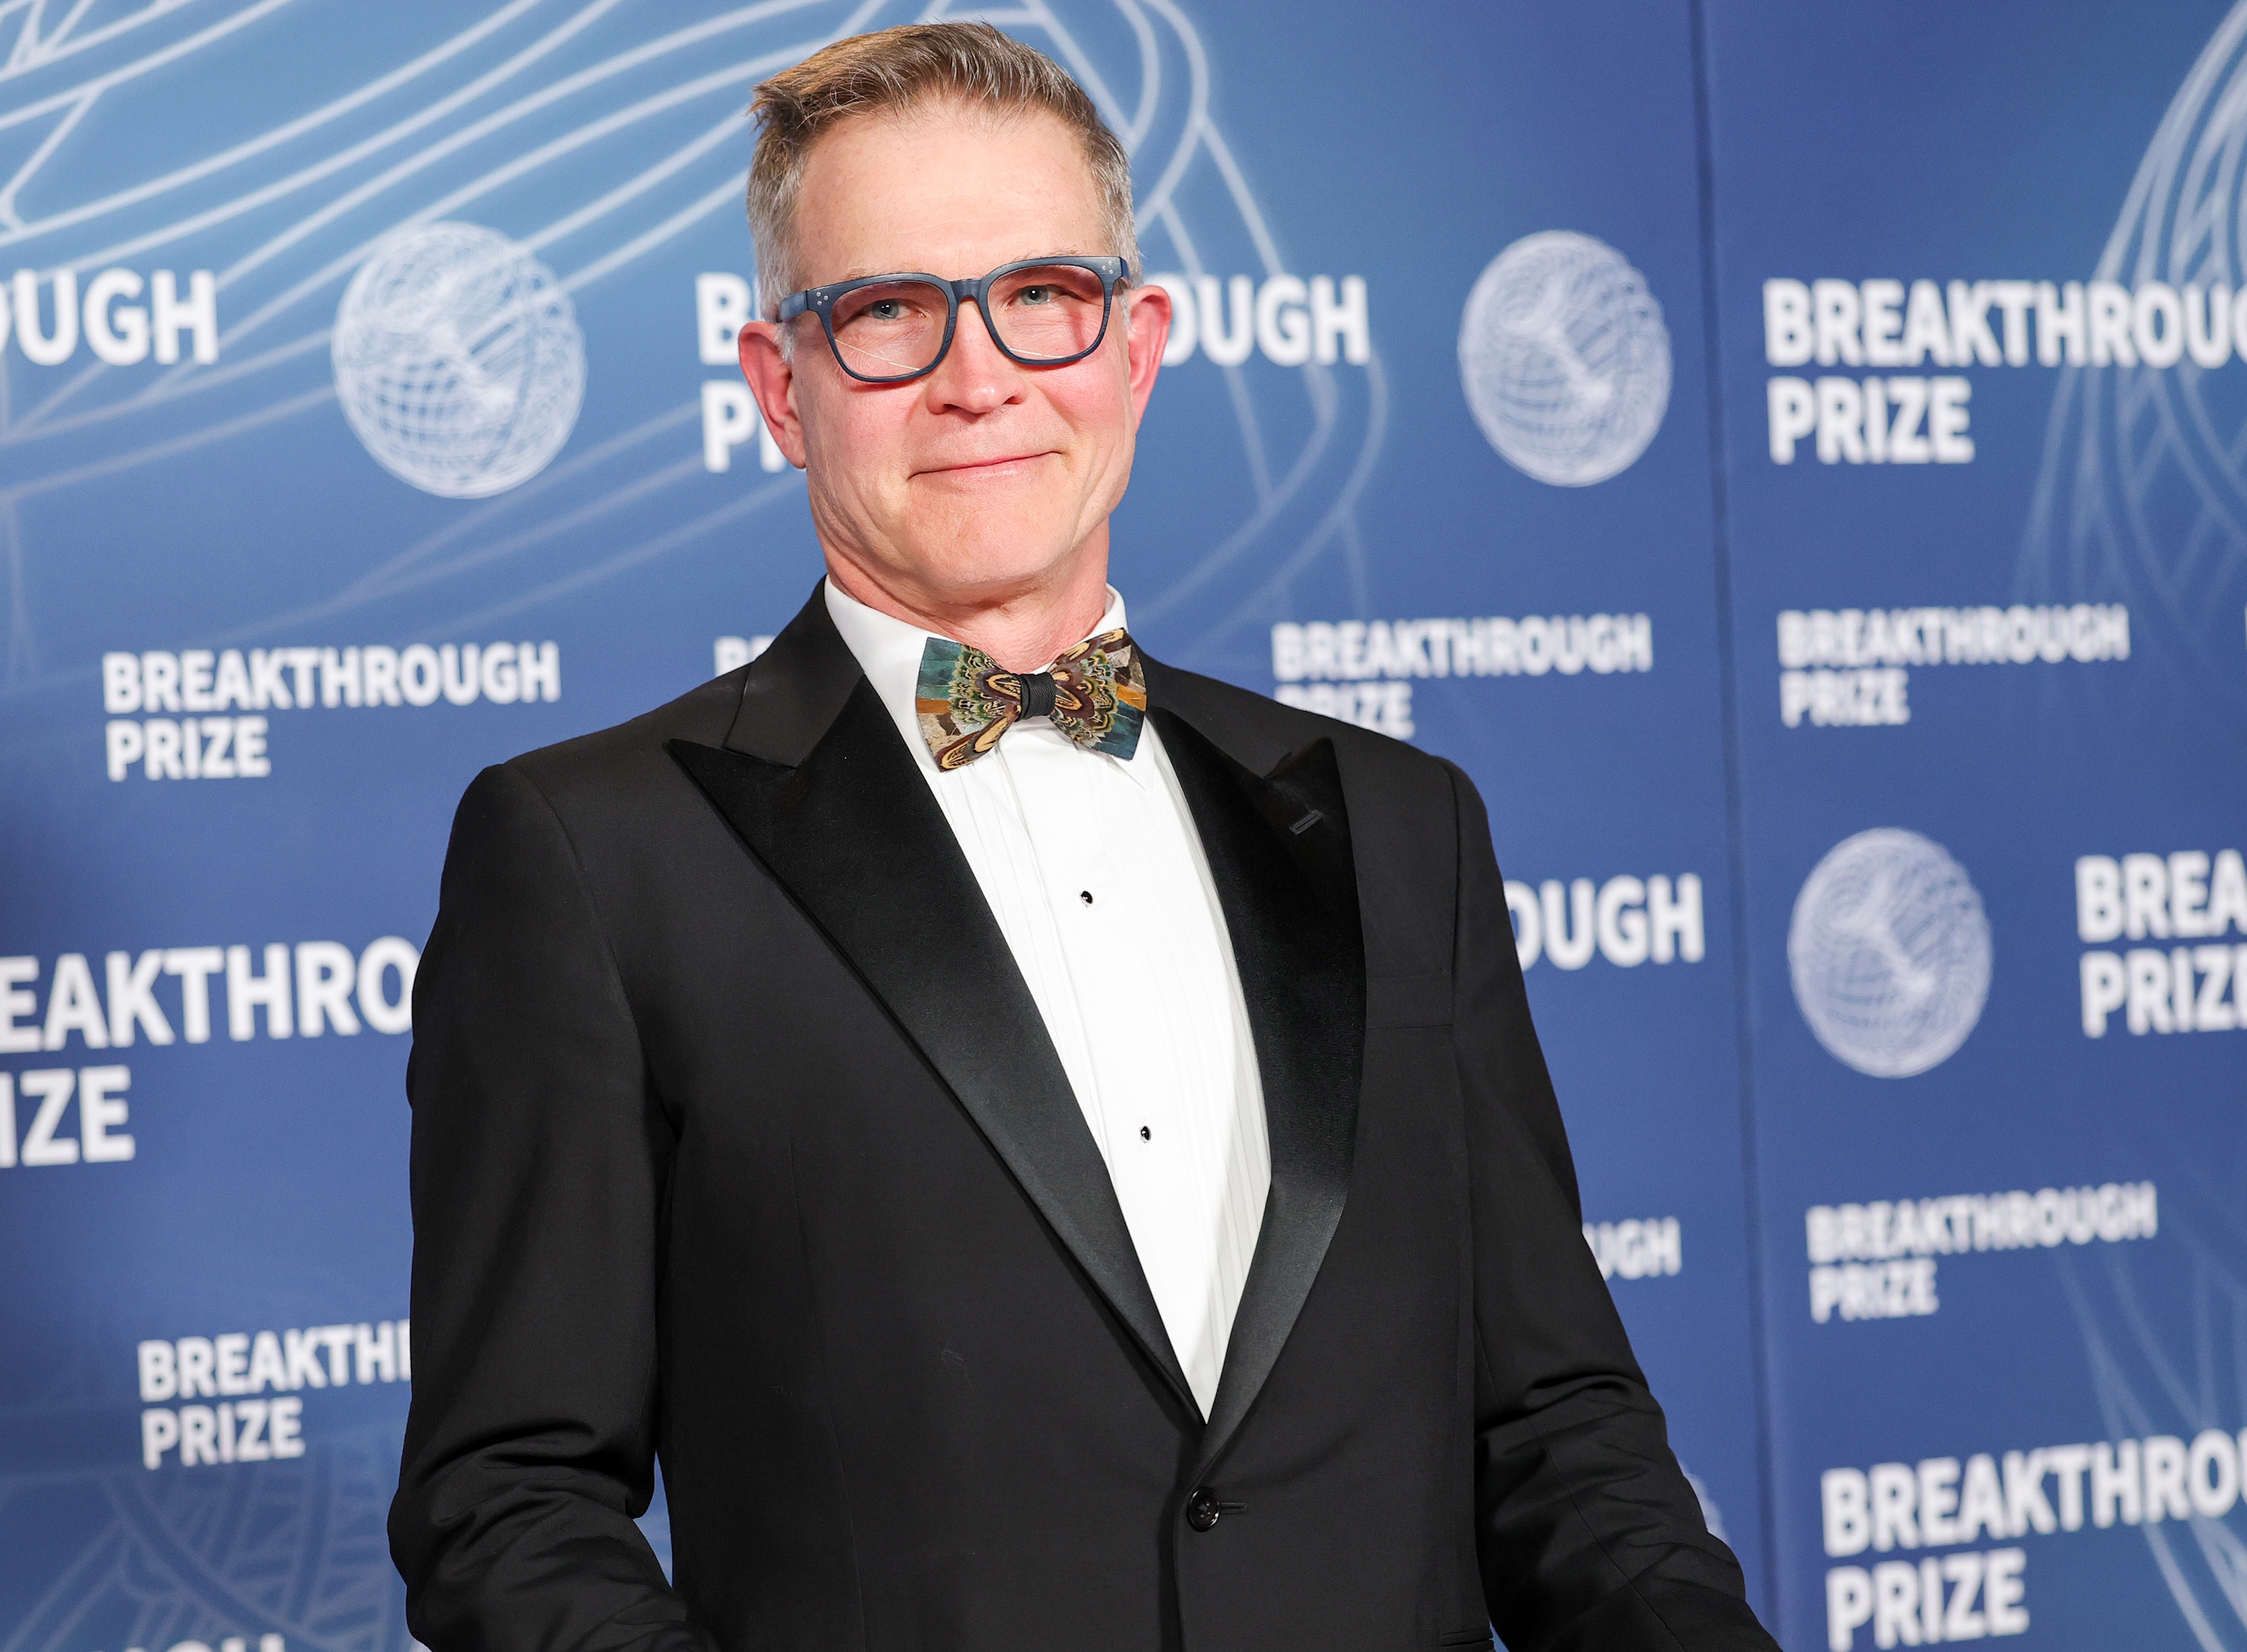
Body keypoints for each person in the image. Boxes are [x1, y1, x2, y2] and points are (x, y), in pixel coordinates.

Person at [390, 21, 1778, 1652]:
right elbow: (512, 1504)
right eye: (890, 312)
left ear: (1137, 341)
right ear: (783, 387)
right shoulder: (594, 857)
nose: (979, 378)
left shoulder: (1406, 828)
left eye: (1040, 296)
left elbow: (1557, 1428)